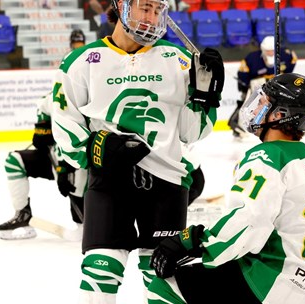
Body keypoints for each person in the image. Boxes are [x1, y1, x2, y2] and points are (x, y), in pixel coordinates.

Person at [50, 0, 225, 301]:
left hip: (167, 182)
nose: (151, 18)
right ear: (121, 6)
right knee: (99, 272)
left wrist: (204, 99)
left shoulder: (180, 60)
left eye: (158, 10)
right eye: (145, 8)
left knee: (163, 273)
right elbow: (64, 120)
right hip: (108, 182)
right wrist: (92, 149)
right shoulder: (81, 62)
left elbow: (190, 133)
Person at [148, 73, 305, 304]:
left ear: (279, 115)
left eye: (262, 103)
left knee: (164, 286)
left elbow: (249, 220)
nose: (255, 107)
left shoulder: (267, 157)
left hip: (272, 284)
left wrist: (194, 241)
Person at [0, 35, 88, 241]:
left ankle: (84, 224)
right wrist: (42, 130)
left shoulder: (90, 99)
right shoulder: (50, 99)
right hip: (57, 159)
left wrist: (64, 167)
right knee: (15, 160)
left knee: (77, 178)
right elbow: (41, 140)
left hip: (79, 160)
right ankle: (22, 213)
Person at [228, 35, 297, 139]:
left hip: (275, 86)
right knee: (247, 103)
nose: (270, 53)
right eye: (267, 50)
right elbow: (242, 74)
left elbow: (291, 64)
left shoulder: (286, 55)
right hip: (256, 86)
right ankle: (236, 124)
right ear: (262, 49)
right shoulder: (252, 58)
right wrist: (246, 84)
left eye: (272, 50)